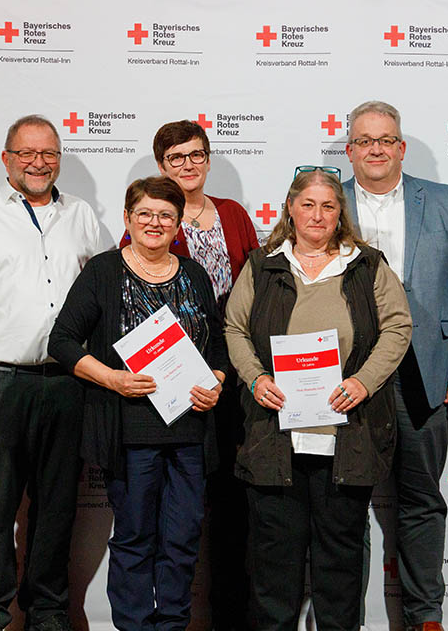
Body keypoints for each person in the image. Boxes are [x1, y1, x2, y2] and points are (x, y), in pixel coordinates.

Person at [0, 114, 105, 631]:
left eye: (48, 153)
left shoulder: (82, 218)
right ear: (7, 159)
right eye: (26, 153)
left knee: (55, 510)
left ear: (59, 159)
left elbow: (103, 298)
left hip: (68, 385)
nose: (38, 163)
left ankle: (48, 612)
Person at [224, 167, 412, 630]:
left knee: (339, 568)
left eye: (328, 206)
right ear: (290, 208)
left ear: (339, 213)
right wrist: (254, 378)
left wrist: (364, 382)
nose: (317, 214)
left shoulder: (367, 265)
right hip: (274, 440)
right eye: (307, 204)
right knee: (274, 568)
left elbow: (398, 327)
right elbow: (234, 328)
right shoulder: (262, 265)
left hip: (346, 441)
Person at [48, 176, 230, 631]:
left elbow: (219, 348)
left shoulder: (193, 274)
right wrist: (112, 379)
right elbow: (63, 341)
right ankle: (132, 626)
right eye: (145, 213)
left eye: (166, 215)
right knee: (133, 538)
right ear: (128, 218)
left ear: (178, 224)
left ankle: (171, 625)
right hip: (129, 432)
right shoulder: (104, 272)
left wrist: (218, 381)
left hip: (189, 431)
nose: (155, 222)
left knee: (184, 538)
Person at [343, 100, 448, 631]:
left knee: (423, 500)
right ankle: (344, 620)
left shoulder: (446, 202)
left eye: (386, 140)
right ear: (349, 150)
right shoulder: (325, 202)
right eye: (364, 140)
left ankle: (426, 618)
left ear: (401, 147)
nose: (376, 149)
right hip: (347, 379)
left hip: (424, 371)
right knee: (345, 505)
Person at [121, 119, 260, 628]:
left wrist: (233, 367)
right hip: (173, 382)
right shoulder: (150, 220)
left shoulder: (234, 214)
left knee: (229, 501)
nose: (188, 165)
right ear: (162, 164)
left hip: (232, 371)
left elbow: (256, 283)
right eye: (176, 157)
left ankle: (228, 613)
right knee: (164, 511)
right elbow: (131, 297)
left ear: (208, 158)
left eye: (196, 154)